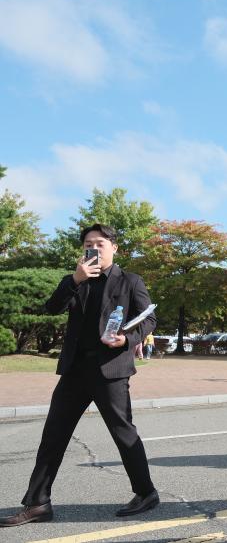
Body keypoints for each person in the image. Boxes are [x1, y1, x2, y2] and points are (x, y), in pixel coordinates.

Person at [0, 224, 159, 527]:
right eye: (88, 243)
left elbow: (148, 319)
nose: (94, 248)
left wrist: (127, 340)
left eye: (100, 243)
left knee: (123, 433)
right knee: (53, 435)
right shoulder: (77, 279)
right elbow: (51, 307)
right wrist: (75, 279)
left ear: (114, 247)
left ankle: (146, 492)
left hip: (110, 370)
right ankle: (38, 503)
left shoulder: (130, 281)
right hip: (75, 370)